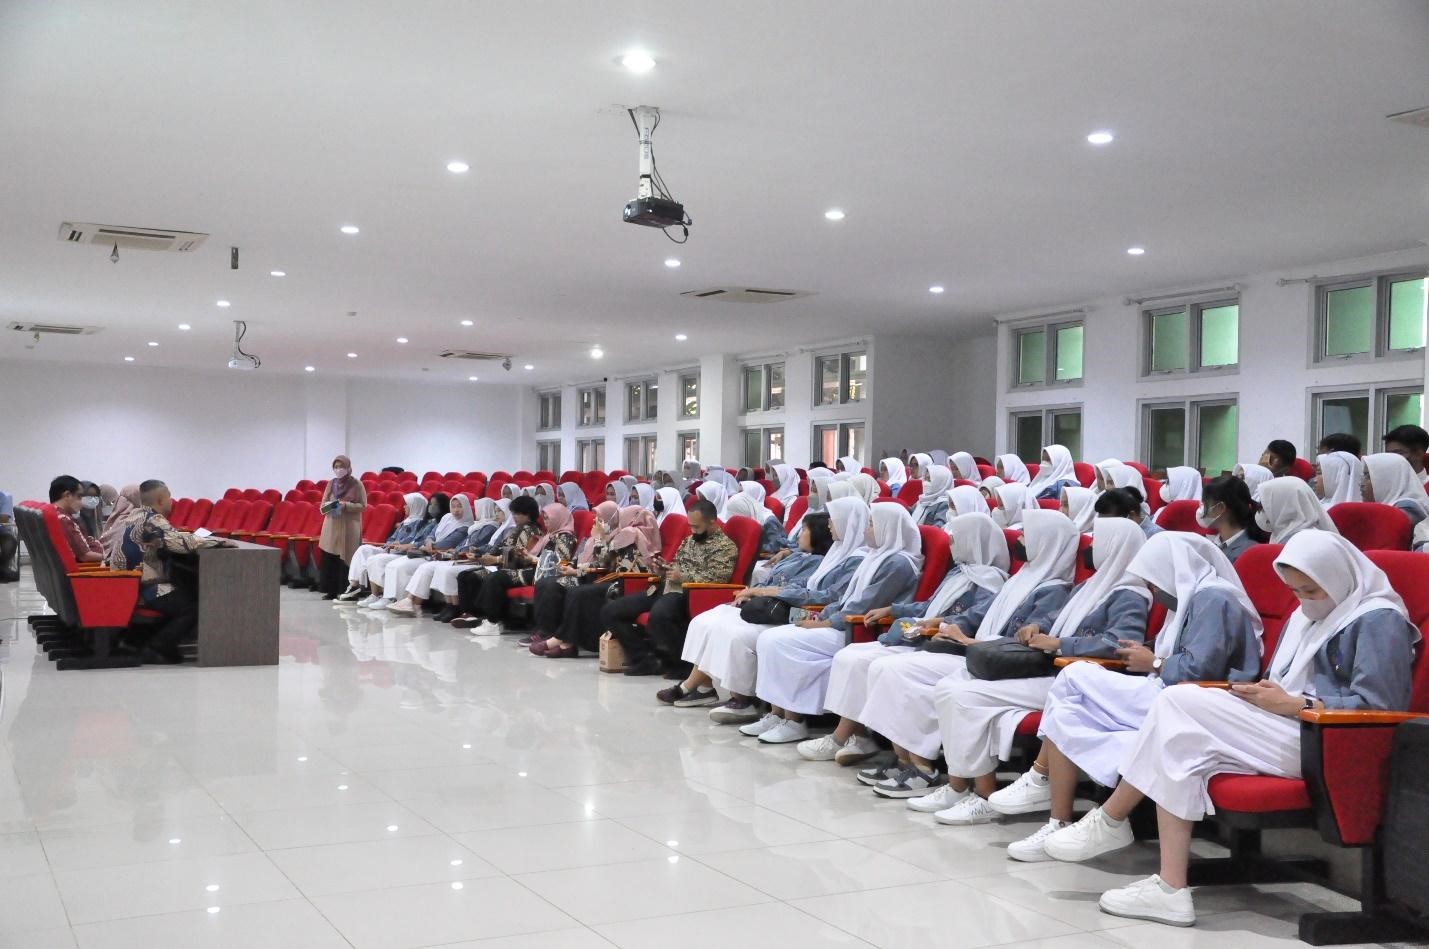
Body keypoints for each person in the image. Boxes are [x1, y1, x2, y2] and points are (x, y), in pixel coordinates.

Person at [1090, 532, 1416, 927]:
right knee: (1182, 739)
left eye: (1312, 590)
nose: (1305, 600)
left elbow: (1380, 708)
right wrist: (1261, 695)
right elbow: (1284, 681)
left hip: (1332, 741)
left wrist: (1296, 704)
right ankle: (1170, 886)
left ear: (1339, 577)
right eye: (1295, 591)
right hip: (1289, 724)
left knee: (1176, 702)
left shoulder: (1379, 620)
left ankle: (1113, 821)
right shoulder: (1307, 616)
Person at [1032, 533, 1262, 864]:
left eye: (1154, 581)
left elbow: (1200, 669)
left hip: (1192, 700)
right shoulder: (1190, 596)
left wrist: (1153, 662)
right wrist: (1149, 654)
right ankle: (1057, 819)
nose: (1154, 590)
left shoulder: (1213, 600)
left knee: (1073, 677)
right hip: (1167, 690)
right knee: (1067, 711)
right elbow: (1179, 650)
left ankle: (1040, 778)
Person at [931, 517, 1151, 827]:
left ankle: (983, 796)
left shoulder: (1130, 594)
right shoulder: (1092, 585)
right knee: (950, 687)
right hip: (1053, 670)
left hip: (1071, 680)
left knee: (964, 696)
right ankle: (960, 787)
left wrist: (1061, 643)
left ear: (1115, 547)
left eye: (1097, 542)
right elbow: (1056, 617)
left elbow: (1119, 643)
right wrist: (1038, 626)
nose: (1089, 548)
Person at [853, 509, 1074, 797]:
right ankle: (908, 762)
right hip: (978, 652)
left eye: (1025, 535)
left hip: (995, 661)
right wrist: (948, 627)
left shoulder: (1053, 590)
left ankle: (926, 770)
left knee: (897, 670)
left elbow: (1024, 641)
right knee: (888, 668)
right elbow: (974, 615)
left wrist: (966, 640)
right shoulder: (1022, 578)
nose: (1019, 540)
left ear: (1045, 541)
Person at [803, 511, 1009, 764]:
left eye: (956, 538)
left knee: (875, 665)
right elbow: (929, 606)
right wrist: (894, 610)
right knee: (849, 656)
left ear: (972, 541)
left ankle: (890, 755)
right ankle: (859, 736)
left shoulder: (990, 581)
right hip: (924, 635)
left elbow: (974, 618)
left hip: (944, 644)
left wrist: (937, 622)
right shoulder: (959, 573)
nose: (951, 543)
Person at [745, 501, 922, 744]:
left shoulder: (898, 564)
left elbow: (864, 605)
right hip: (841, 621)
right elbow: (844, 598)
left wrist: (826, 622)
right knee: (770, 638)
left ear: (887, 528)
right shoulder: (875, 556)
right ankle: (778, 714)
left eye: (872, 524)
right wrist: (823, 616)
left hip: (857, 629)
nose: (866, 529)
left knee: (779, 642)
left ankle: (794, 721)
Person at [701, 498, 869, 724]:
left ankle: (784, 716)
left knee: (764, 638)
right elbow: (808, 584)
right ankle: (773, 712)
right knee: (722, 622)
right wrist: (767, 590)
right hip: (809, 610)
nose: (829, 525)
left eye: (833, 520)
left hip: (821, 616)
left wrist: (772, 593)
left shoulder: (855, 560)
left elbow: (830, 596)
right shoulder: (838, 552)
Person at [660, 511, 835, 705]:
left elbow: (795, 590)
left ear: (817, 534)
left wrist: (757, 592)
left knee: (727, 631)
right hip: (764, 604)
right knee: (703, 622)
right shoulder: (797, 556)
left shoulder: (817, 563)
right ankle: (704, 687)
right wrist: (750, 592)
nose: (799, 534)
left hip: (783, 611)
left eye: (804, 530)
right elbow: (770, 581)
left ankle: (739, 697)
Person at [600, 498, 739, 677]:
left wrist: (683, 577)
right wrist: (663, 569)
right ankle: (645, 659)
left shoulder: (725, 547)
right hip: (664, 587)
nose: (692, 531)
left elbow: (718, 578)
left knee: (660, 615)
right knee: (611, 611)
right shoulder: (689, 540)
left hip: (688, 593)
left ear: (712, 522)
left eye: (697, 527)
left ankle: (682, 666)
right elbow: (677, 564)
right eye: (690, 526)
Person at [108, 479, 230, 663]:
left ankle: (137, 640)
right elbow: (178, 543)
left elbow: (170, 537)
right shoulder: (153, 519)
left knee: (184, 593)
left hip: (127, 583)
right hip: (143, 587)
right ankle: (156, 648)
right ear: (160, 500)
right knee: (193, 606)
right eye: (169, 497)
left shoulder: (134, 515)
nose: (171, 501)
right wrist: (219, 541)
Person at [532, 504, 658, 657]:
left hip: (627, 584)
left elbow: (604, 560)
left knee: (578, 593)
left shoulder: (630, 534)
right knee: (567, 589)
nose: (596, 522)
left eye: (600, 519)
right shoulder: (620, 535)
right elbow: (603, 562)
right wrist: (574, 567)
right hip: (612, 579)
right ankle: (562, 641)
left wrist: (598, 539)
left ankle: (560, 640)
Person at [449, 495, 544, 635]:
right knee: (464, 575)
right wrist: (481, 554)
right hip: (504, 565)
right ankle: (471, 614)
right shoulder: (517, 529)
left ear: (528, 514)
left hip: (520, 568)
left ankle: (489, 617)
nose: (514, 517)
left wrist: (496, 559)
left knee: (478, 577)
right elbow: (500, 547)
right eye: (513, 514)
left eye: (517, 514)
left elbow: (521, 555)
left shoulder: (532, 531)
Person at [384, 495, 486, 616]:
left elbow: (447, 544)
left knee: (424, 567)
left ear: (466, 508)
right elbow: (431, 534)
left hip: (441, 556)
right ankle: (408, 603)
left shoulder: (466, 526)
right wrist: (429, 542)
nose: (456, 510)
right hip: (431, 553)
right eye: (453, 507)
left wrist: (431, 546)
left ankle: (412, 603)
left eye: (459, 507)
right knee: (408, 565)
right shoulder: (447, 517)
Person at [355, 493, 449, 608]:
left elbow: (420, 540)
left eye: (435, 505)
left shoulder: (437, 522)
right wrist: (393, 544)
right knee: (373, 559)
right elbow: (418, 538)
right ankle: (375, 594)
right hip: (410, 551)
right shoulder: (426, 522)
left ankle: (390, 598)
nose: (431, 507)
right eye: (430, 504)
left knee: (392, 564)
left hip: (421, 554)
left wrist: (405, 545)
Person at [338, 492, 430, 602]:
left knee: (376, 559)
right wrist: (390, 544)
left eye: (407, 504)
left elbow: (415, 541)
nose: (404, 507)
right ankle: (354, 585)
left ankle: (382, 594)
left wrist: (399, 543)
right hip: (390, 550)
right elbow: (392, 538)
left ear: (415, 506)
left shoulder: (422, 523)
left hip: (401, 553)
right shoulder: (405, 521)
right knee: (363, 549)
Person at [429, 498, 508, 622]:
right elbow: (477, 544)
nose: (476, 512)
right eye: (495, 511)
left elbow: (490, 547)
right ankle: (450, 605)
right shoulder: (490, 526)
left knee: (449, 571)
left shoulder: (491, 527)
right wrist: (456, 550)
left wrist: (473, 550)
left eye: (499, 511)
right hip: (478, 556)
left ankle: (456, 607)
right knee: (442, 568)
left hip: (482, 560)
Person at [317, 455, 368, 599]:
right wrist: (331, 505)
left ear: (348, 467)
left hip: (349, 527)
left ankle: (347, 590)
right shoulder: (331, 484)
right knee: (331, 557)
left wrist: (345, 505)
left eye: (342, 467)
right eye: (336, 467)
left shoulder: (357, 484)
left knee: (347, 558)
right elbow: (322, 506)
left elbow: (363, 506)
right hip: (331, 526)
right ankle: (331, 591)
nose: (339, 470)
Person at [1197, 476, 1265, 562]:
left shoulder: (1246, 554)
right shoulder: (1212, 540)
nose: (1201, 509)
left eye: (1204, 504)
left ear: (1220, 508)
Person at [1255, 476, 1336, 543]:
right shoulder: (1282, 534)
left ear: (1283, 506)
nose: (1261, 511)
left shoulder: (1296, 543)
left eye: (1264, 505)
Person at [1361, 452, 1429, 529]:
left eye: (1368, 477)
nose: (1361, 483)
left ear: (1389, 479)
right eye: (1363, 476)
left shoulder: (1407, 511)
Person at [48, 475, 104, 563]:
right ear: (67, 495)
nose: (81, 502)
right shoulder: (64, 520)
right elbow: (85, 556)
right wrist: (108, 558)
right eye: (79, 497)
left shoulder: (54, 513)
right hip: (85, 568)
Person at [909, 463, 953, 527]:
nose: (925, 483)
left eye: (929, 480)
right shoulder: (923, 499)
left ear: (940, 481)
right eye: (925, 479)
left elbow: (939, 526)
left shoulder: (945, 504)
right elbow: (909, 515)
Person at [0, 488, 18, 582]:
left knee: (9, 541)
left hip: (2, 530)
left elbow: (4, 518)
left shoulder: (4, 496)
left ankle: (3, 568)